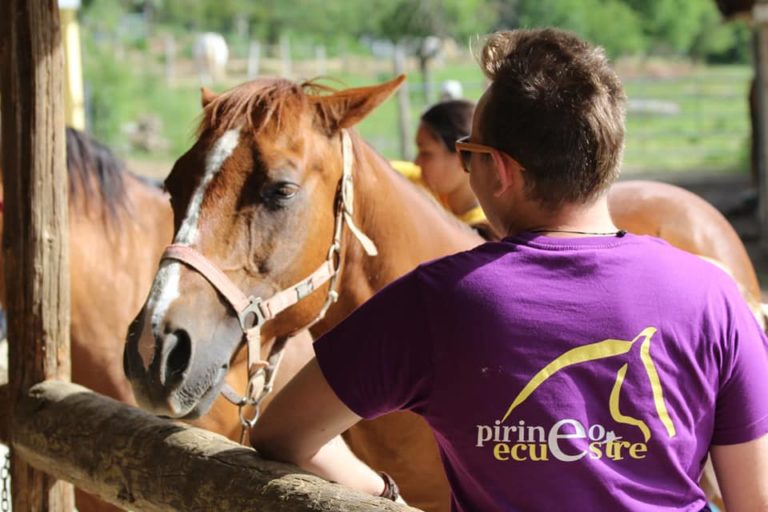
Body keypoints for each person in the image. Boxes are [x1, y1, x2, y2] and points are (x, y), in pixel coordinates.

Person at [251, 28, 768, 511]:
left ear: (499, 171)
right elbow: (755, 498)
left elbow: (284, 433)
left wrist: (383, 492)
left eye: (469, 154)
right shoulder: (713, 295)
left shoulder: (435, 300)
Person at [414, 99, 497, 240]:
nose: (416, 162)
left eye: (426, 153)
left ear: (461, 156)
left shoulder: (483, 233)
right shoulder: (423, 184)